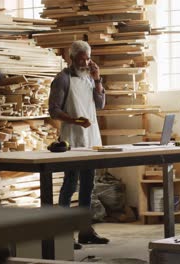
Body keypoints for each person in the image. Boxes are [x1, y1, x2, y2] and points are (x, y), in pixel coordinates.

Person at [49, 40, 110, 249]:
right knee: (69, 185)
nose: (85, 62)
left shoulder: (90, 78)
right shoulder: (63, 79)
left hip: (91, 138)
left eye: (87, 58)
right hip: (72, 138)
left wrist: (98, 79)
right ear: (71, 58)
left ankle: (85, 231)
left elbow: (100, 104)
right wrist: (75, 120)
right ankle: (63, 234)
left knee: (88, 186)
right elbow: (53, 110)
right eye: (81, 58)